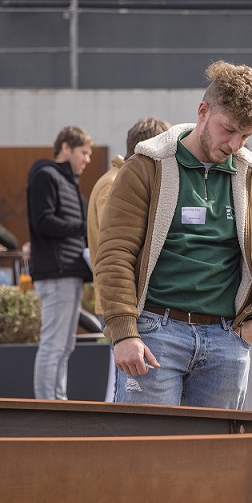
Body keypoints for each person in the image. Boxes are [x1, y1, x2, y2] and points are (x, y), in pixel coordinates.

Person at [93, 60, 252, 409]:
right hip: (154, 335)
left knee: (216, 459)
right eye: (228, 129)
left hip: (226, 340)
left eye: (245, 135)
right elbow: (114, 255)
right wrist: (123, 332)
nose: (235, 143)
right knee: (148, 455)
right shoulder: (145, 168)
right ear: (202, 111)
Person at [87, 116, 171, 402]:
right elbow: (115, 248)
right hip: (124, 301)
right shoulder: (118, 183)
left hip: (119, 300)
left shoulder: (111, 180)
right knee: (127, 388)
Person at [27, 125, 94, 400]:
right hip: (56, 274)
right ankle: (47, 407)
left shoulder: (67, 182)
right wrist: (84, 227)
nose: (87, 159)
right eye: (83, 152)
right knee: (54, 345)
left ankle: (57, 402)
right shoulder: (46, 175)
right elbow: (42, 221)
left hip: (68, 272)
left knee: (64, 345)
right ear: (65, 147)